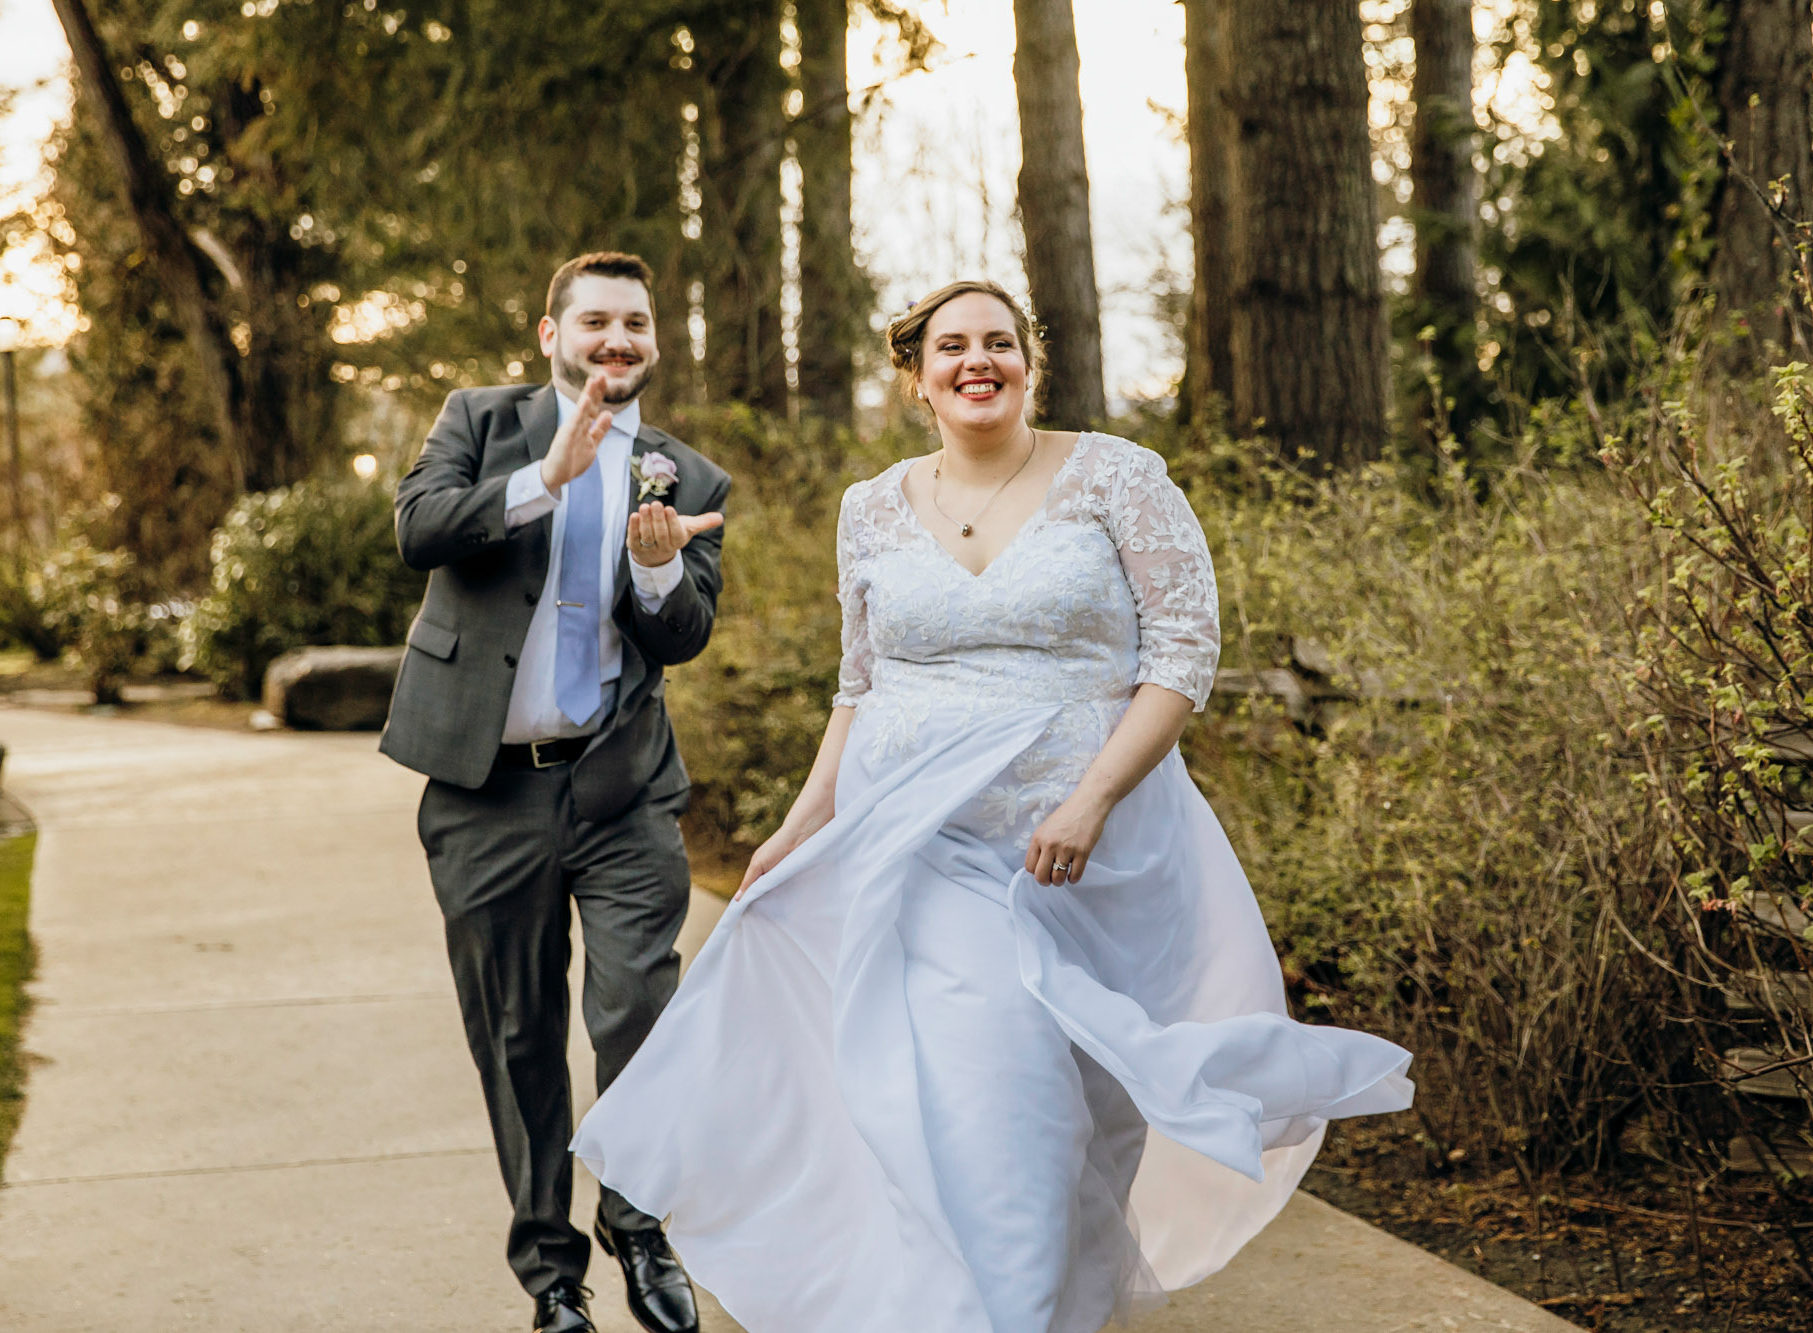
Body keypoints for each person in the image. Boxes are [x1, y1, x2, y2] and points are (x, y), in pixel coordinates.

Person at [571, 279, 1414, 1332]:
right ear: (916, 376)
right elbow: (860, 687)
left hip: (1089, 854)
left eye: (999, 343)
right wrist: (796, 829)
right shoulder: (870, 505)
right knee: (992, 1103)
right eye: (952, 346)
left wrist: (1092, 798)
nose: (978, 360)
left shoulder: (1118, 476)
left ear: (1029, 362)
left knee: (1080, 1122)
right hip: (920, 851)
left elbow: (1182, 657)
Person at [381, 251, 728, 1333]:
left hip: (619, 787)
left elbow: (684, 634)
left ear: (654, 342)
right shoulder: (479, 422)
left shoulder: (688, 474)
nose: (615, 340)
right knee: (518, 1031)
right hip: (485, 790)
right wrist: (549, 481)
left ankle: (637, 1222)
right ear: (551, 336)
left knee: (637, 1008)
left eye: (635, 322)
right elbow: (417, 527)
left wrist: (661, 565)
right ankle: (551, 1277)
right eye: (594, 322)